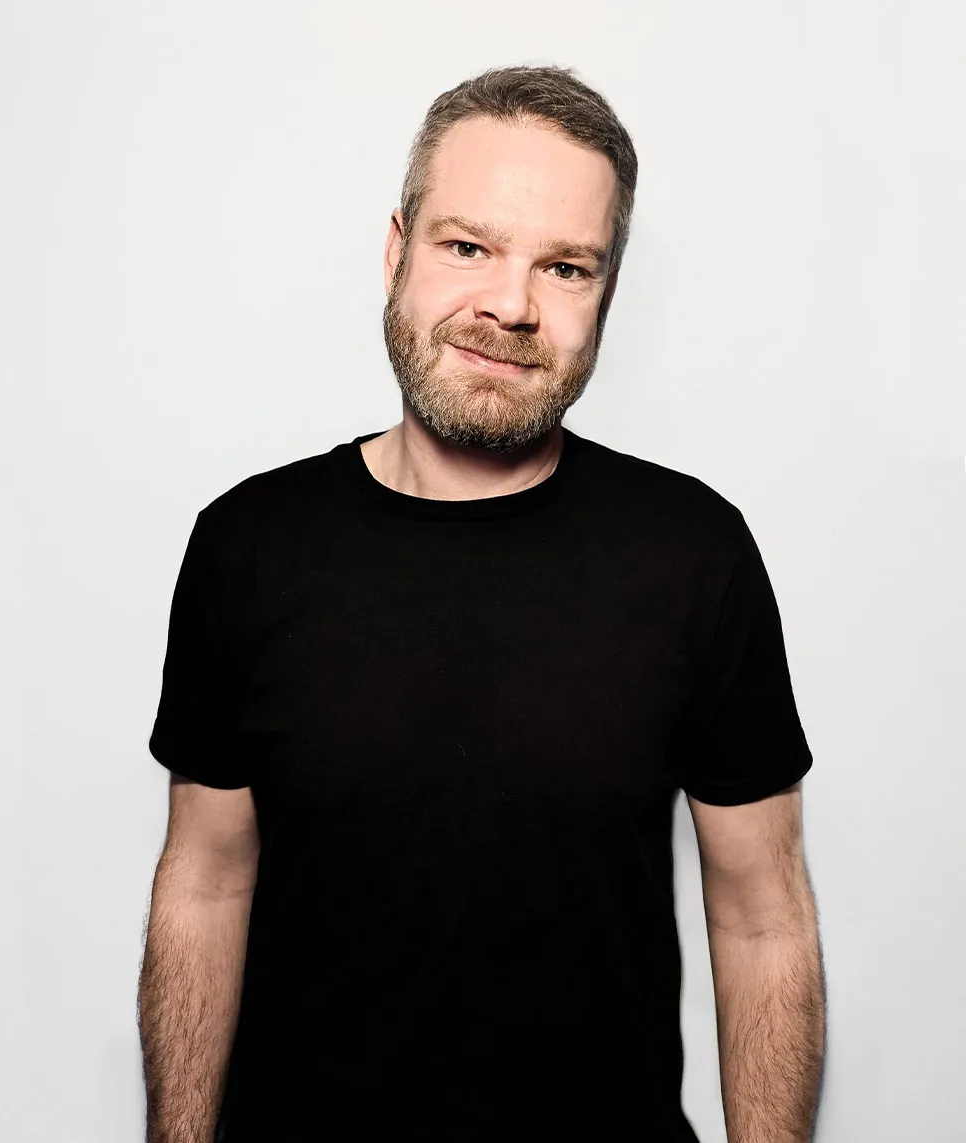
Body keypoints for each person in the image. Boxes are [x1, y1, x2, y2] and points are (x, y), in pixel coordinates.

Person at [138, 64, 826, 1143]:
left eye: (565, 265)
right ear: (396, 252)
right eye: (468, 247)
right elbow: (206, 881)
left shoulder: (694, 553)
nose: (510, 305)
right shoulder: (250, 545)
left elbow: (763, 917)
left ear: (606, 294)